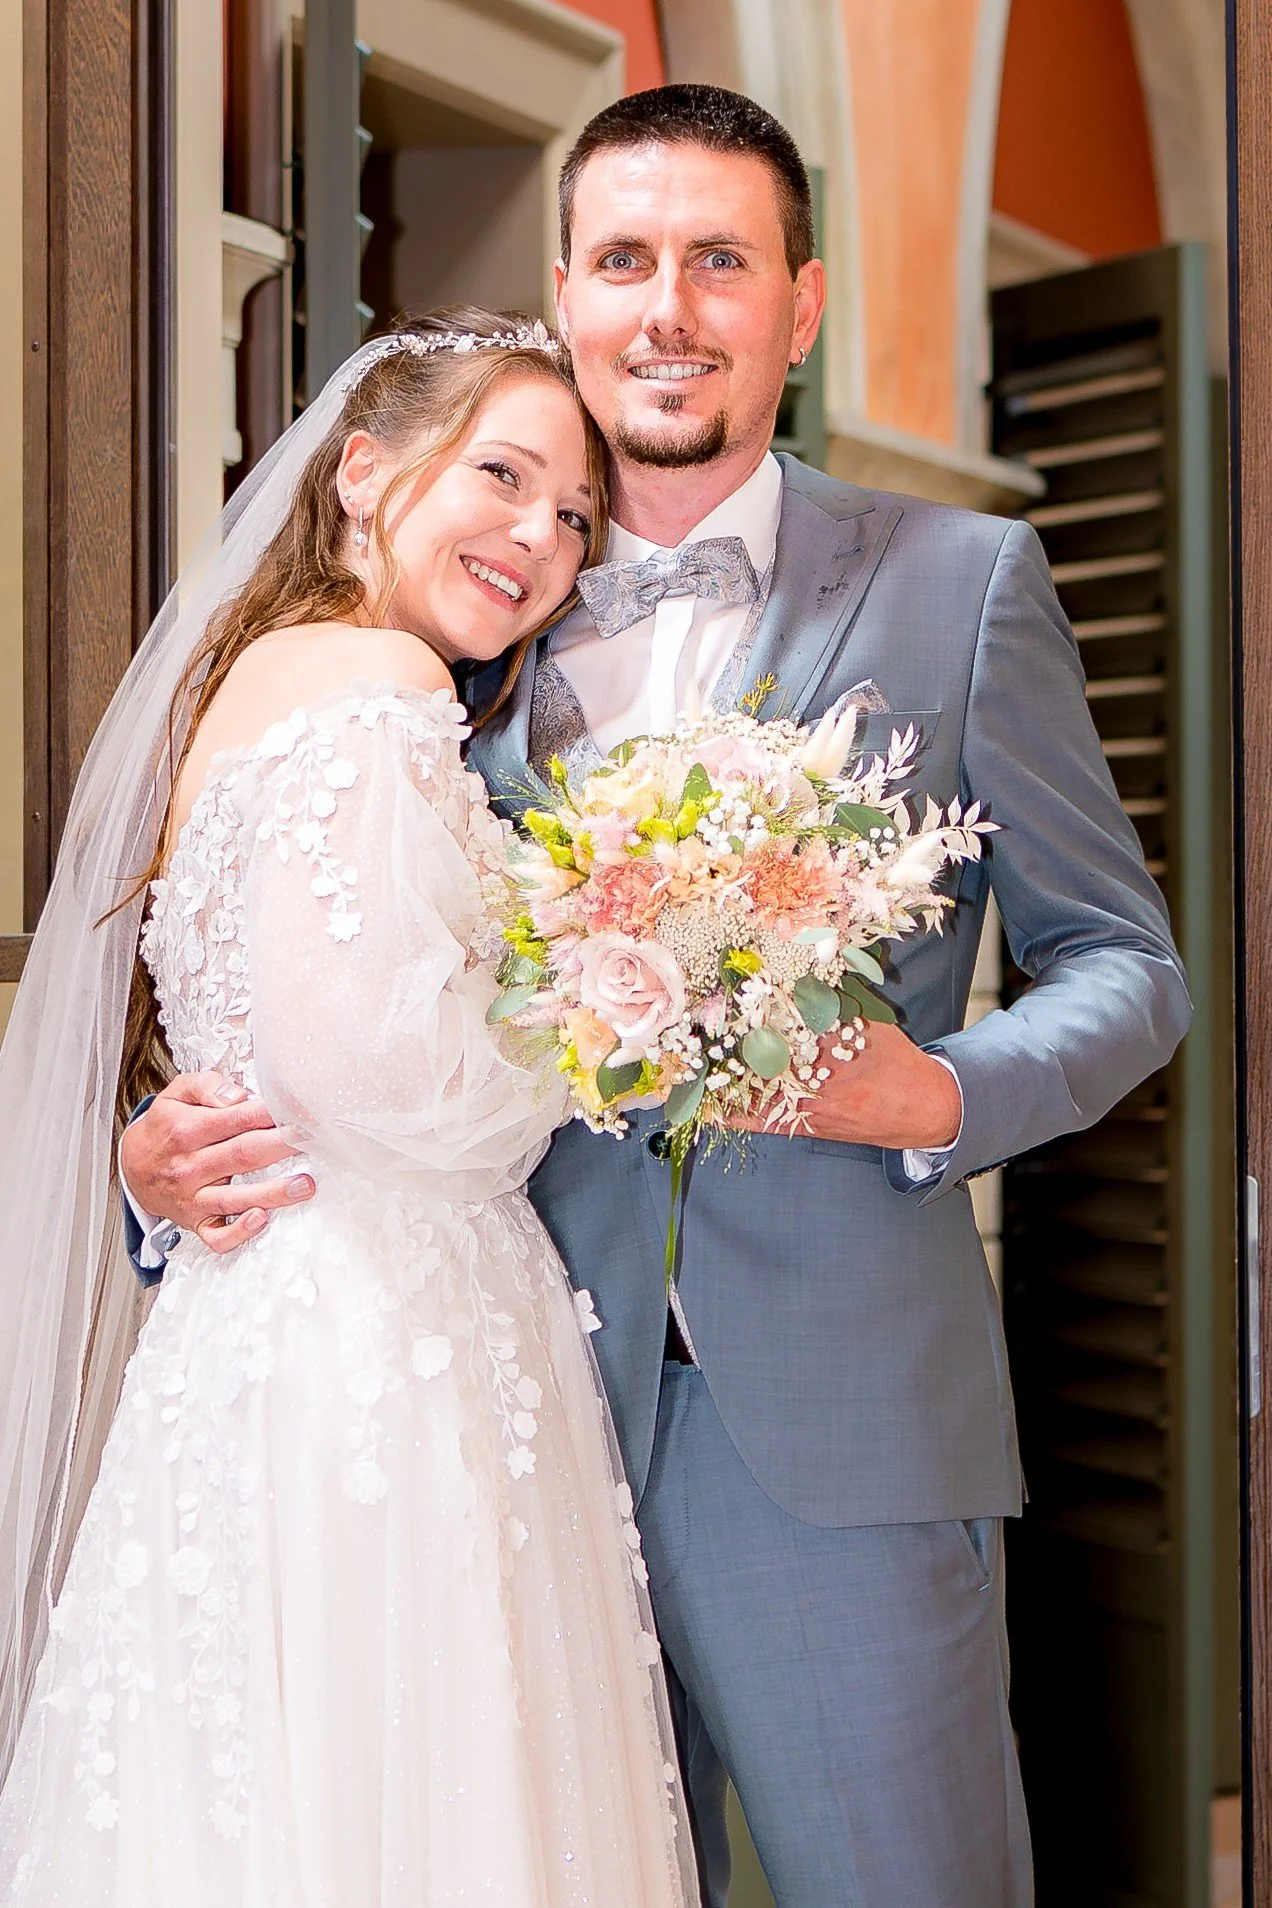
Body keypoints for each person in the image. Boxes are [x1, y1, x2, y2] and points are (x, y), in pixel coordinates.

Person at [119, 87, 1193, 1908]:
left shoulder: (962, 585)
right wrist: (171, 1159)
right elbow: (293, 940)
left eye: (720, 258)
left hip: (839, 1450)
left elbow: (1132, 970)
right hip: (494, 1428)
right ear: (566, 290)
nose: (669, 306)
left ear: (803, 300)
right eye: (624, 260)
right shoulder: (455, 619)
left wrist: (939, 1094)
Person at [0, 310, 701, 1906]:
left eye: (575, 513)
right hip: (384, 1331)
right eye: (504, 475)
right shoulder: (378, 682)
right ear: (365, 473)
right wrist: (614, 1013)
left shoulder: (246, 686)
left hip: (266, 1320)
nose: (540, 533)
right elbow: (390, 1081)